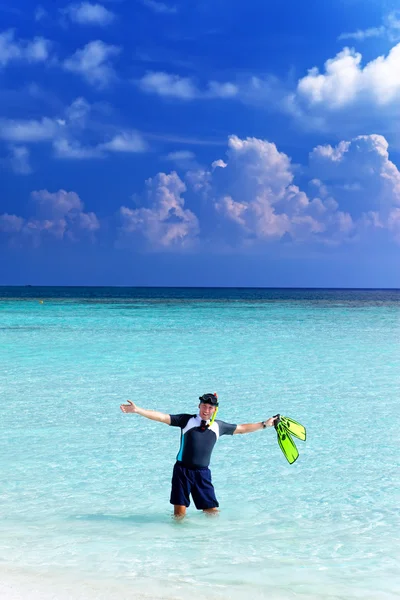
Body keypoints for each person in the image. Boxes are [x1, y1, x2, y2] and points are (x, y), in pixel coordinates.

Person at [120, 392, 276, 518]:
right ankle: (178, 540)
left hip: (203, 474)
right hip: (182, 471)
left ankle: (211, 541)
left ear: (214, 410)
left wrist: (265, 425)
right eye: (203, 406)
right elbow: (161, 417)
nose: (206, 410)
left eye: (210, 407)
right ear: (199, 406)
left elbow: (242, 428)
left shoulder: (218, 426)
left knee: (212, 512)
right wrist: (138, 410)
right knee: (179, 514)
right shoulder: (186, 420)